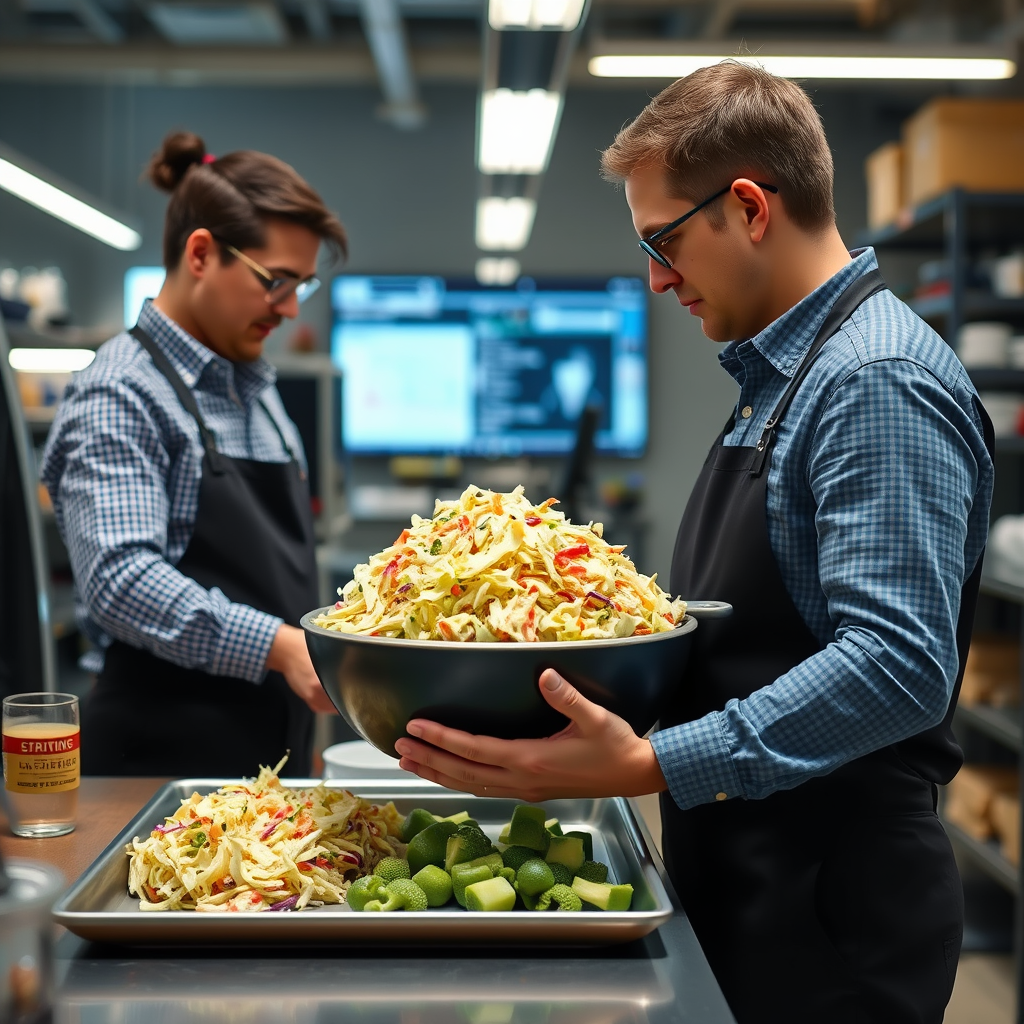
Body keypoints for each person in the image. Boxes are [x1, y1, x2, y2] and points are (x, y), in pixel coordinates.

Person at [393, 62, 995, 1024]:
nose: (656, 276)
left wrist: (654, 763)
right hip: (754, 876)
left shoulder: (873, 381)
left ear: (749, 207)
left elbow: (897, 664)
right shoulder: (779, 379)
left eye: (664, 239)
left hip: (833, 911)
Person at [42, 131, 343, 777]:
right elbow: (121, 581)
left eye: (303, 287)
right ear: (202, 254)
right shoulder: (120, 391)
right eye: (277, 281)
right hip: (156, 767)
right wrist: (281, 647)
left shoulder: (257, 393)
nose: (289, 308)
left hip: (269, 757)